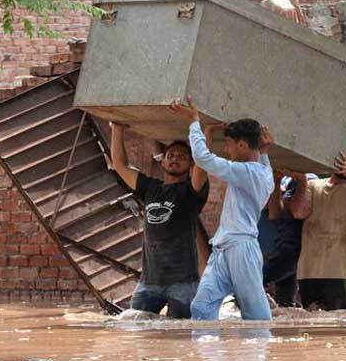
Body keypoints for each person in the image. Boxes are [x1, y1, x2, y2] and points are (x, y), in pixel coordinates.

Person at [170, 95, 275, 321]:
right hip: (224, 248)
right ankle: (208, 355)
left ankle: (261, 354)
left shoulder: (248, 172)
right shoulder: (264, 171)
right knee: (201, 308)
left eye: (228, 145)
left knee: (255, 315)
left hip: (242, 249)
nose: (227, 151)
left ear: (242, 145)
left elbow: (202, 157)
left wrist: (194, 121)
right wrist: (265, 151)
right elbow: (263, 159)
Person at [110, 122, 209, 319]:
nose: (174, 159)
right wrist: (117, 129)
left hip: (183, 282)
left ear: (191, 164)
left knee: (181, 335)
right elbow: (120, 166)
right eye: (170, 156)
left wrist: (204, 132)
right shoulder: (150, 188)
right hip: (149, 281)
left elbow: (202, 167)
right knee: (136, 331)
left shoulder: (191, 192)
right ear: (162, 162)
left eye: (181, 157)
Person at [285, 139, 346, 310]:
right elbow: (298, 212)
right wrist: (302, 181)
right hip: (309, 271)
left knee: (339, 326)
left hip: (343, 273)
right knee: (312, 324)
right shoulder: (313, 185)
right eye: (343, 159)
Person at [258, 172, 317, 307]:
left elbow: (297, 211)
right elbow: (271, 210)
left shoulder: (308, 180)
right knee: (284, 306)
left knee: (255, 292)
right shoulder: (274, 178)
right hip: (274, 251)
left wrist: (300, 181)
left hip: (287, 253)